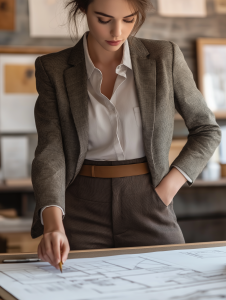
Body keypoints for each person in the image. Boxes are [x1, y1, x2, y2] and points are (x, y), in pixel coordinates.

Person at [31, 0, 221, 271]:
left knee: (171, 285)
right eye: (104, 19)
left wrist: (166, 190)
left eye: (129, 19)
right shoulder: (53, 69)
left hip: (149, 200)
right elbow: (51, 150)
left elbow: (206, 130)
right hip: (81, 205)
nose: (117, 31)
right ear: (84, 10)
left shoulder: (164, 57)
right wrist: (52, 224)